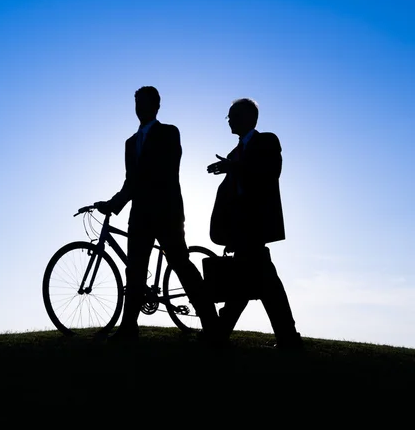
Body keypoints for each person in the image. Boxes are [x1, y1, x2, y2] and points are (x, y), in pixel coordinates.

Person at [95, 86, 220, 343]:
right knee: (135, 271)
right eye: (137, 102)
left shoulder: (169, 132)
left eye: (144, 102)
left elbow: (165, 168)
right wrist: (112, 204)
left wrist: (123, 197)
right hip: (139, 215)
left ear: (156, 105)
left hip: (167, 213)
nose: (140, 107)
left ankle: (212, 325)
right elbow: (130, 181)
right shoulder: (130, 143)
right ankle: (128, 328)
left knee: (181, 265)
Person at [207, 97, 303, 350]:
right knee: (253, 283)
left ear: (248, 117)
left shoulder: (267, 141)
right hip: (239, 230)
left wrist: (234, 167)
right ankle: (288, 338)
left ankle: (220, 335)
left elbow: (269, 172)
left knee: (251, 284)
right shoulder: (233, 154)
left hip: (256, 225)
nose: (229, 120)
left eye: (232, 115)